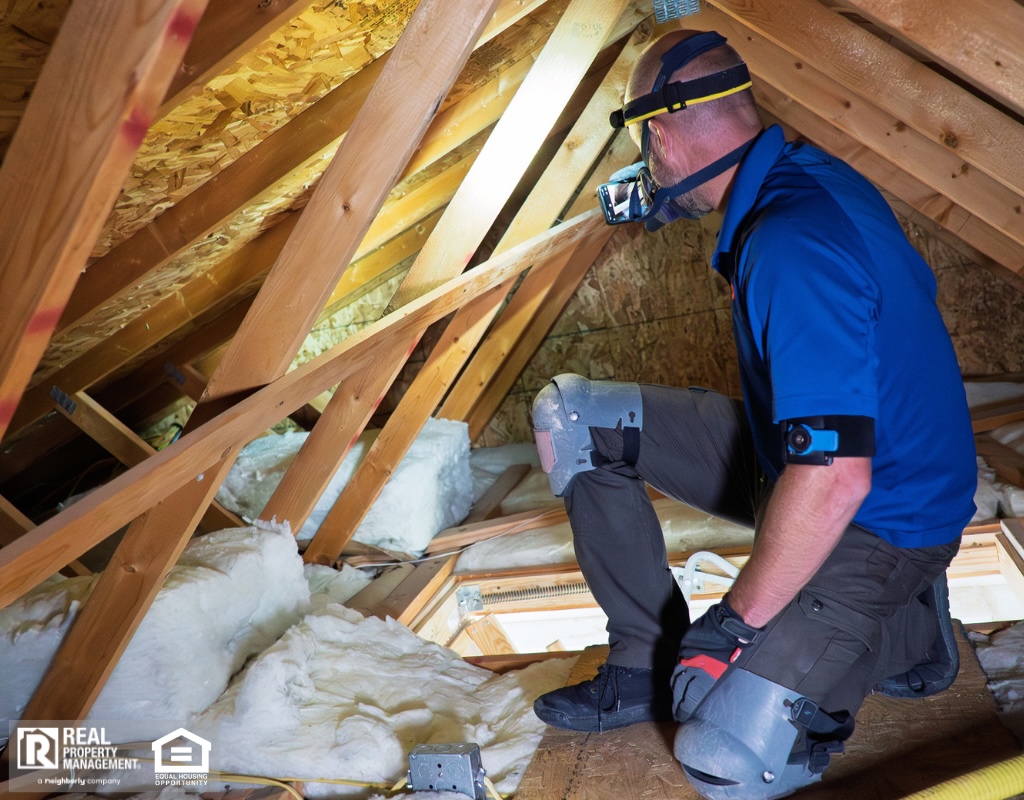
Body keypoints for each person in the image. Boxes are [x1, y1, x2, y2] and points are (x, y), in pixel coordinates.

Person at [529, 29, 977, 800]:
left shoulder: (791, 242)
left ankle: (902, 628)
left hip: (886, 517)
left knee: (727, 754)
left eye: (645, 142)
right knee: (574, 417)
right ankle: (641, 660)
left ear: (660, 134)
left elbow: (835, 476)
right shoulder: (795, 183)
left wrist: (733, 623)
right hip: (815, 464)